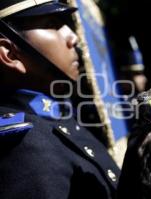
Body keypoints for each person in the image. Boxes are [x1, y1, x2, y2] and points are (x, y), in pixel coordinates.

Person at [0, 0, 120, 198]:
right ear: (11, 54)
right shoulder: (24, 143)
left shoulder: (55, 117)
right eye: (51, 24)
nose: (73, 37)